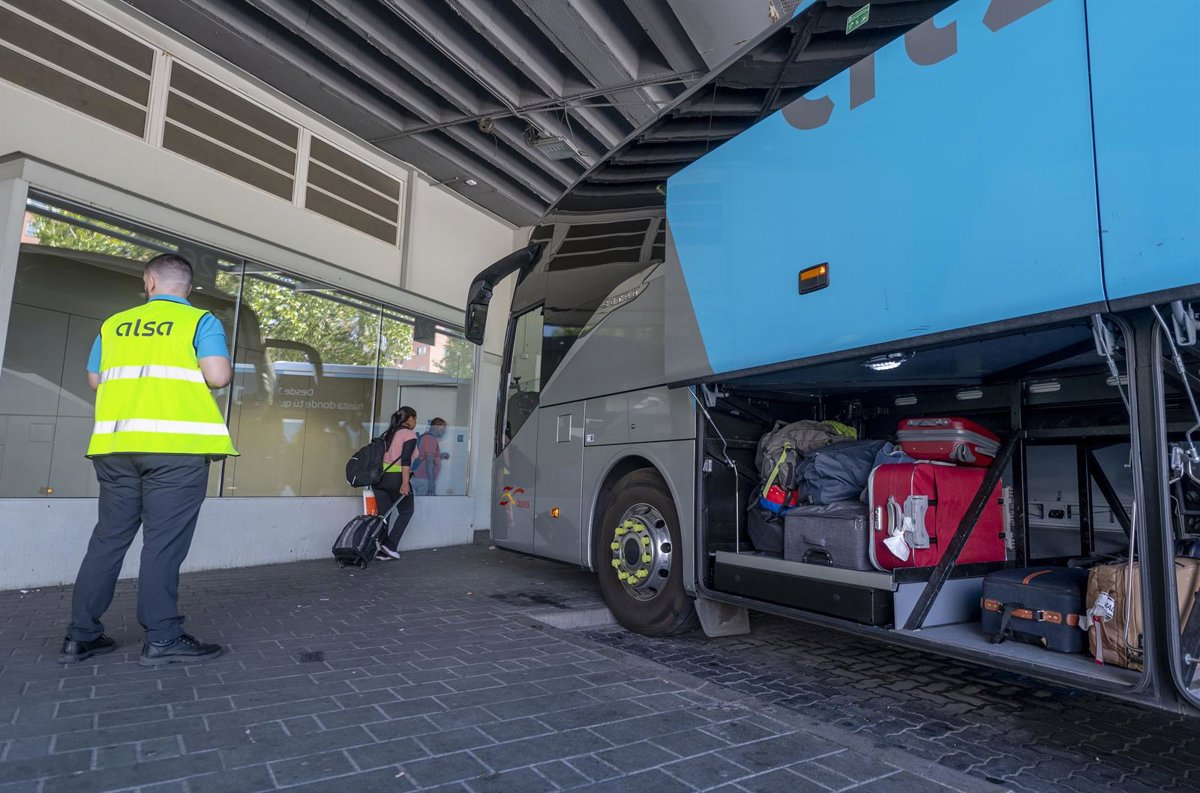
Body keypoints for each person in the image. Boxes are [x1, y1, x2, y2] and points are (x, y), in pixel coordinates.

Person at [59, 254, 238, 667]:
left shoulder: (114, 325)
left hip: (116, 449)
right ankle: (162, 637)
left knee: (108, 540)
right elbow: (218, 376)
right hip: (176, 451)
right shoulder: (200, 321)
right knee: (163, 544)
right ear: (188, 288)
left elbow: (95, 379)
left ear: (149, 282)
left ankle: (80, 636)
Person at [374, 406, 420, 561]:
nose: (415, 422)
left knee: (384, 515)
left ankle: (382, 551)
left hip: (379, 479)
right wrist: (405, 483)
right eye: (415, 418)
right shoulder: (408, 434)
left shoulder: (387, 434)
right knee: (407, 511)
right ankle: (390, 545)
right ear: (411, 418)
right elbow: (406, 460)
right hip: (396, 478)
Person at [413, 417, 450, 496]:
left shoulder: (426, 437)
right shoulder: (430, 439)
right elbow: (429, 460)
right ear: (436, 427)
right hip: (424, 479)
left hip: (420, 477)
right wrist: (431, 481)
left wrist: (440, 456)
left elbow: (426, 456)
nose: (444, 431)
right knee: (424, 502)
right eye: (443, 428)